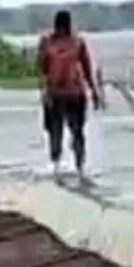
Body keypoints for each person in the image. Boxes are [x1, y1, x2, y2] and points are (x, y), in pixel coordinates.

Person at [36, 10, 101, 177]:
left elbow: (86, 68)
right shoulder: (47, 42)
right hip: (55, 94)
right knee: (54, 131)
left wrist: (94, 91)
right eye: (60, 27)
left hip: (75, 93)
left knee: (77, 131)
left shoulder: (78, 42)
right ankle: (57, 166)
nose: (62, 30)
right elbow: (42, 69)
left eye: (65, 27)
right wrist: (44, 91)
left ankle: (80, 168)